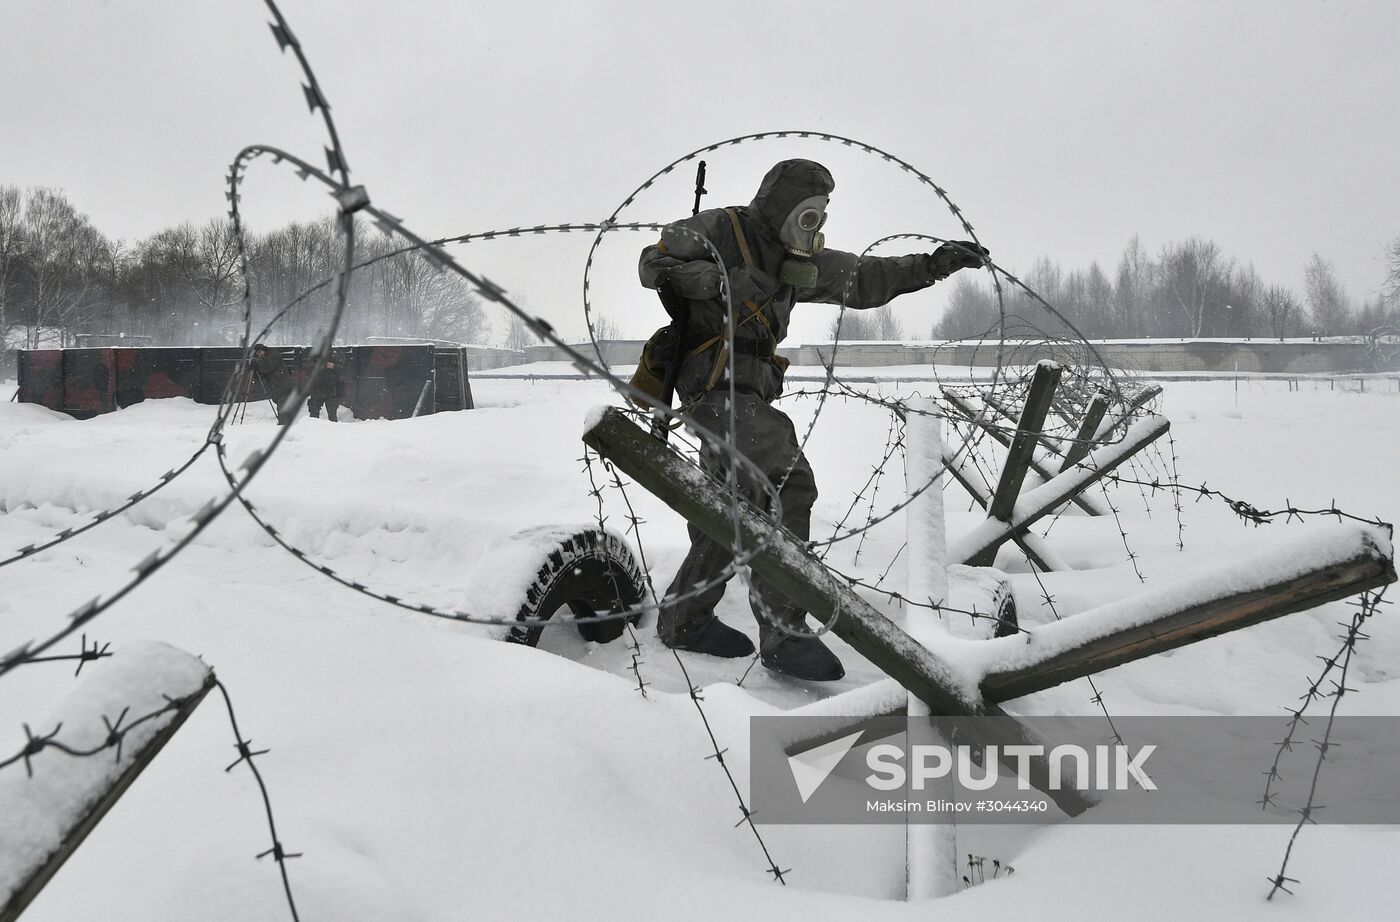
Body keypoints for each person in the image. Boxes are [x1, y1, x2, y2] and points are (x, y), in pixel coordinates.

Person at [638, 158, 988, 681]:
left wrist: (935, 264)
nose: (815, 223)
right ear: (781, 202)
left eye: (822, 213)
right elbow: (652, 265)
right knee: (785, 480)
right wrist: (710, 279)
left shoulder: (798, 259)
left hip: (748, 391)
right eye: (808, 210)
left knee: (729, 504)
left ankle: (685, 618)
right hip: (710, 382)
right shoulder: (719, 229)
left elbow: (871, 279)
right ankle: (783, 629)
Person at [250, 343, 295, 426]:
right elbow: (264, 373)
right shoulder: (264, 358)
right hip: (277, 386)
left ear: (264, 350)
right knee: (282, 405)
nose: (259, 354)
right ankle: (287, 424)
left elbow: (267, 368)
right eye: (257, 353)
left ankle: (283, 426)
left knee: (282, 407)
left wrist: (257, 363)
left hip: (284, 384)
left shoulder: (273, 354)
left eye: (260, 352)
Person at [306, 356, 343, 421]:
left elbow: (345, 370)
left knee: (332, 416)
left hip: (332, 390)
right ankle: (312, 430)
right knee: (313, 416)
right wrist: (316, 367)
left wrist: (334, 366)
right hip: (317, 390)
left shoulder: (336, 354)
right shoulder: (316, 352)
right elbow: (307, 370)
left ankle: (333, 430)